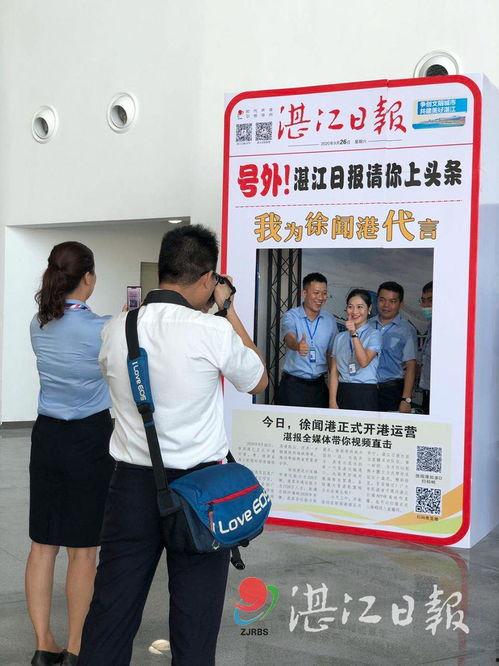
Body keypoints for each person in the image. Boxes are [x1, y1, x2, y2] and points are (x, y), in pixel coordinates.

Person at [78, 225, 267, 666]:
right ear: (207, 279)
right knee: (195, 621)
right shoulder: (212, 331)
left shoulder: (117, 328)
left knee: (111, 611)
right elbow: (258, 378)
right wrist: (227, 310)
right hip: (201, 494)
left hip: (130, 488)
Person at [27, 242, 114, 666]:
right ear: (88, 277)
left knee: (43, 545)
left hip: (46, 437)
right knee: (83, 550)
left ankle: (43, 644)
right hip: (89, 439)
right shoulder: (103, 329)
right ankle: (77, 646)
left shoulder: (37, 324)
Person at [276, 272, 337, 408]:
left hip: (319, 386)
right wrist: (297, 345)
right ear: (304, 293)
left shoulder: (330, 320)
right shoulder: (291, 316)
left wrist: (333, 391)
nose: (320, 298)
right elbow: (289, 337)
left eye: (324, 293)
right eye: (316, 293)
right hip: (293, 386)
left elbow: (331, 355)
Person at [329, 289, 382, 411]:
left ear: (369, 309)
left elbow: (364, 361)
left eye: (360, 307)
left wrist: (353, 333)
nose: (354, 311)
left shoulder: (374, 334)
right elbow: (334, 371)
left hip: (365, 392)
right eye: (350, 307)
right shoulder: (340, 337)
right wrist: (332, 400)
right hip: (342, 390)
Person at [369, 281, 417, 413]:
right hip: (367, 388)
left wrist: (406, 399)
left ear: (401, 304)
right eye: (382, 300)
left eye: (392, 301)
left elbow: (411, 366)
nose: (386, 305)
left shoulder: (407, 330)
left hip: (392, 390)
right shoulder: (367, 325)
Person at [419, 281, 433, 414]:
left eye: (430, 300)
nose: (425, 305)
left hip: (439, 393)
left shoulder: (449, 329)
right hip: (427, 389)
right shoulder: (431, 326)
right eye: (423, 301)